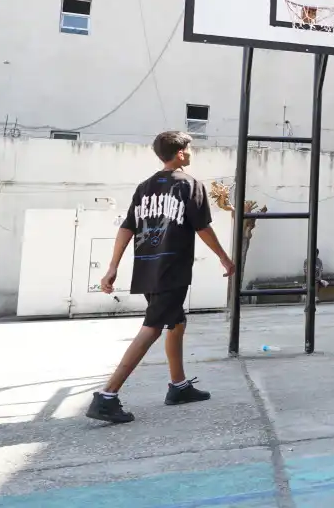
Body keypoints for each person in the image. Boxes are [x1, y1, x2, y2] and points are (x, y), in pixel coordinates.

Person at [86, 131, 235, 424]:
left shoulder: (144, 187)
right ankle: (107, 396)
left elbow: (127, 227)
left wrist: (113, 266)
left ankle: (178, 386)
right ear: (180, 153)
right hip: (172, 268)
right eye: (189, 149)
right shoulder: (190, 185)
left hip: (146, 267)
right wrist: (224, 256)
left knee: (176, 321)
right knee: (153, 327)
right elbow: (202, 227)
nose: (192, 153)